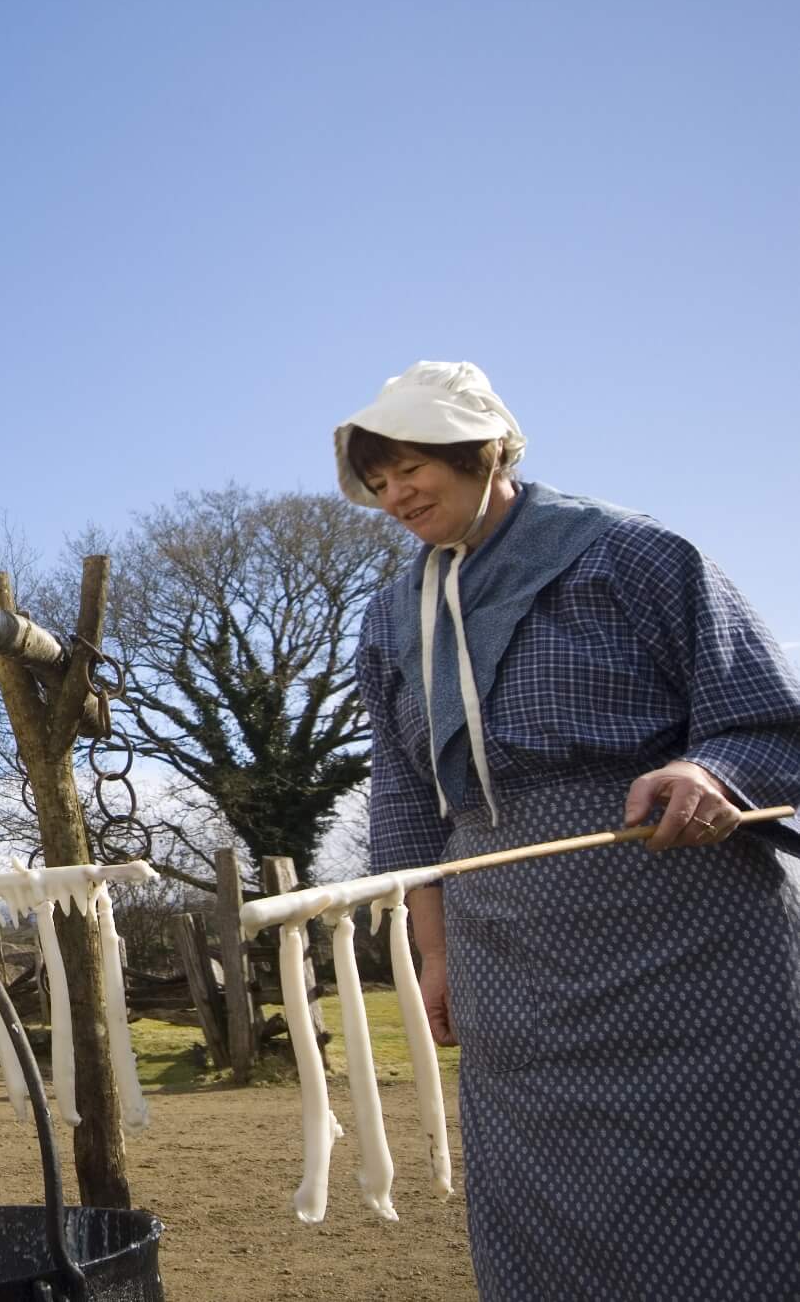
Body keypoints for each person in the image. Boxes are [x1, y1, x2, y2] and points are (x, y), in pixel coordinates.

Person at [338, 361, 800, 1301]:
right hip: (506, 944)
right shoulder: (391, 619)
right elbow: (404, 800)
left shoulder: (634, 555)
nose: (395, 497)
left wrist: (709, 770)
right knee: (546, 1203)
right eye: (378, 483)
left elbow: (765, 717)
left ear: (483, 452)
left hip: (688, 925)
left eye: (410, 470)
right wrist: (435, 950)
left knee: (736, 1182)